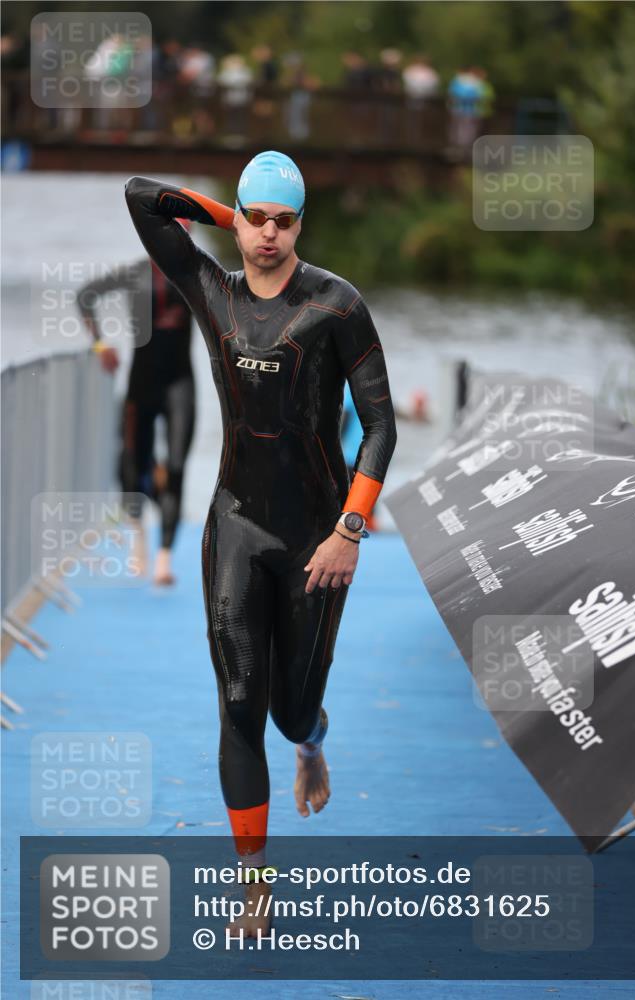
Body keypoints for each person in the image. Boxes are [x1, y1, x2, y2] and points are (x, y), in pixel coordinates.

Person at [125, 151, 397, 936]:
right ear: (240, 218)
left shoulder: (336, 306)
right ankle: (254, 883)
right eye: (257, 218)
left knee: (289, 710)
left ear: (301, 225)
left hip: (319, 538)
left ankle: (312, 742)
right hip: (237, 525)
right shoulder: (212, 291)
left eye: (283, 221)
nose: (269, 235)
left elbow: (380, 426)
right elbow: (142, 198)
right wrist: (225, 218)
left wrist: (350, 529)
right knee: (240, 703)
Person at [77, 251, 195, 585]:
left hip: (181, 385)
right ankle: (138, 536)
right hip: (141, 386)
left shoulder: (196, 272)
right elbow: (85, 295)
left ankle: (164, 559)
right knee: (134, 464)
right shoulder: (134, 273)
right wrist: (100, 345)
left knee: (175, 466)